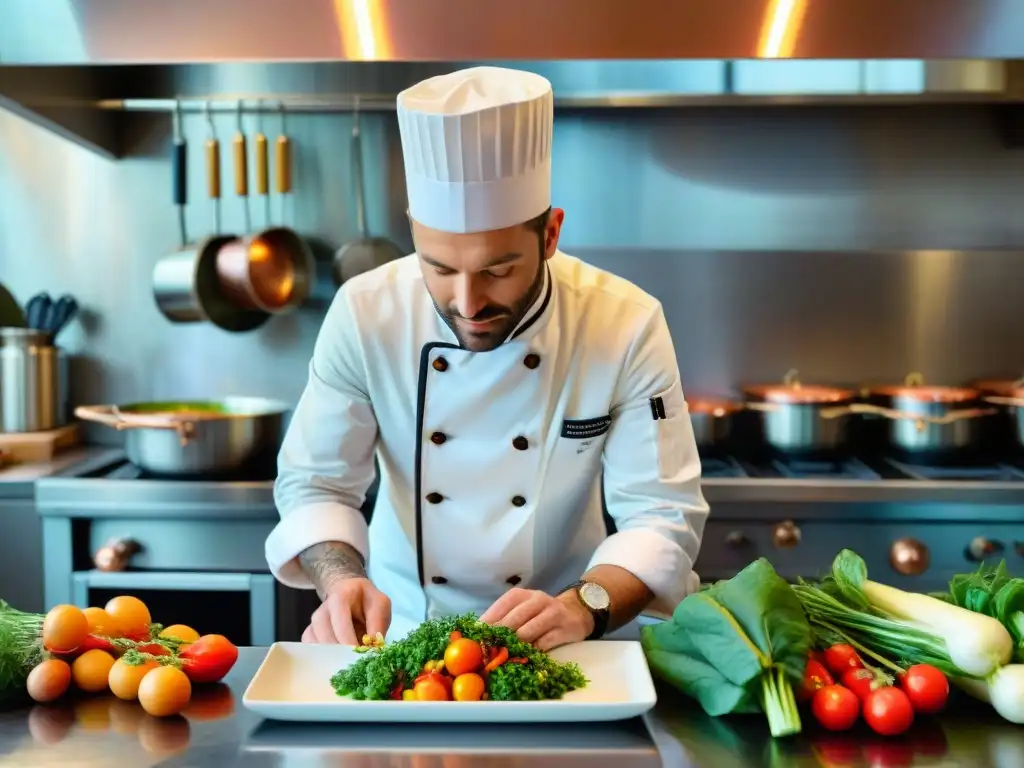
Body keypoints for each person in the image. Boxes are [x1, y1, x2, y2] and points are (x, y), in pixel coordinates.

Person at [265, 65, 709, 650]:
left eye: (498, 270)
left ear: (551, 236)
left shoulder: (623, 322)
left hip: (565, 643)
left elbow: (661, 514)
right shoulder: (364, 311)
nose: (468, 303)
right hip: (400, 641)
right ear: (415, 234)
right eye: (440, 269)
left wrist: (584, 606)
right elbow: (317, 484)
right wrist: (341, 580)